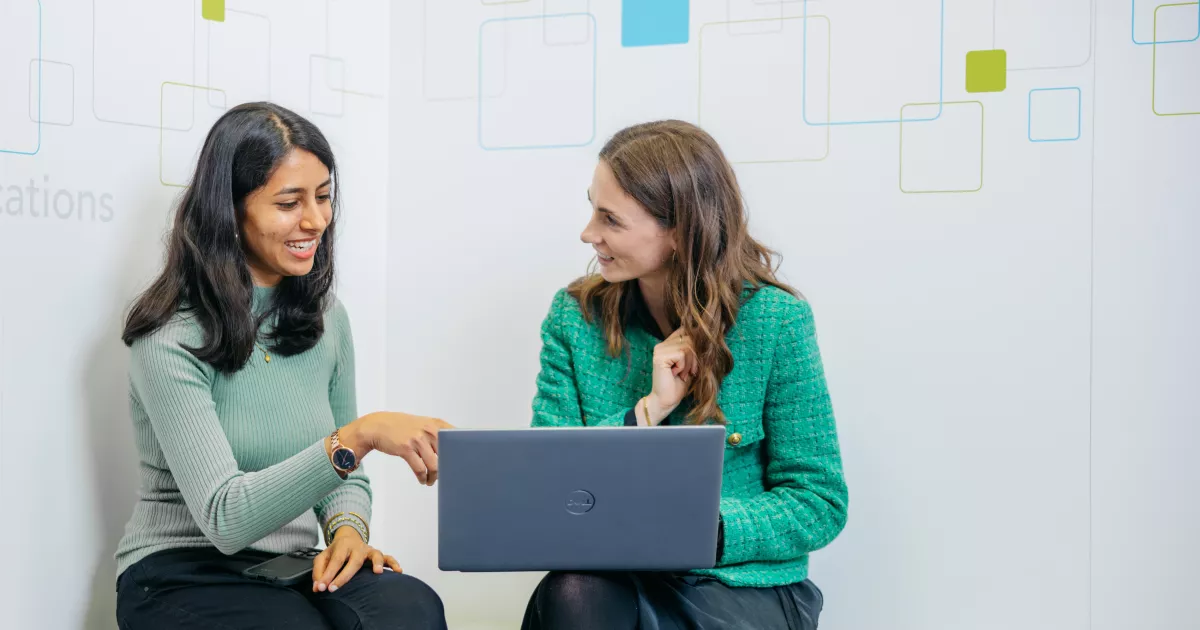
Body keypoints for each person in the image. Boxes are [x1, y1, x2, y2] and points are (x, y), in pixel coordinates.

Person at [113, 102, 449, 629]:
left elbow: (343, 479)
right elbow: (225, 518)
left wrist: (346, 533)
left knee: (410, 608)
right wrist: (358, 436)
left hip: (286, 567)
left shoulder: (327, 320)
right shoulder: (170, 338)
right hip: (180, 571)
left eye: (322, 197)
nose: (315, 220)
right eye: (289, 202)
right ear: (230, 210)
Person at [524, 120, 848, 630]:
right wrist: (646, 411)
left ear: (678, 231)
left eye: (610, 219)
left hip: (739, 584)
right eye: (593, 209)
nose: (589, 234)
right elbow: (547, 479)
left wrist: (706, 532)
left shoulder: (777, 321)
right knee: (571, 592)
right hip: (617, 579)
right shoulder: (573, 318)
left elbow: (819, 501)